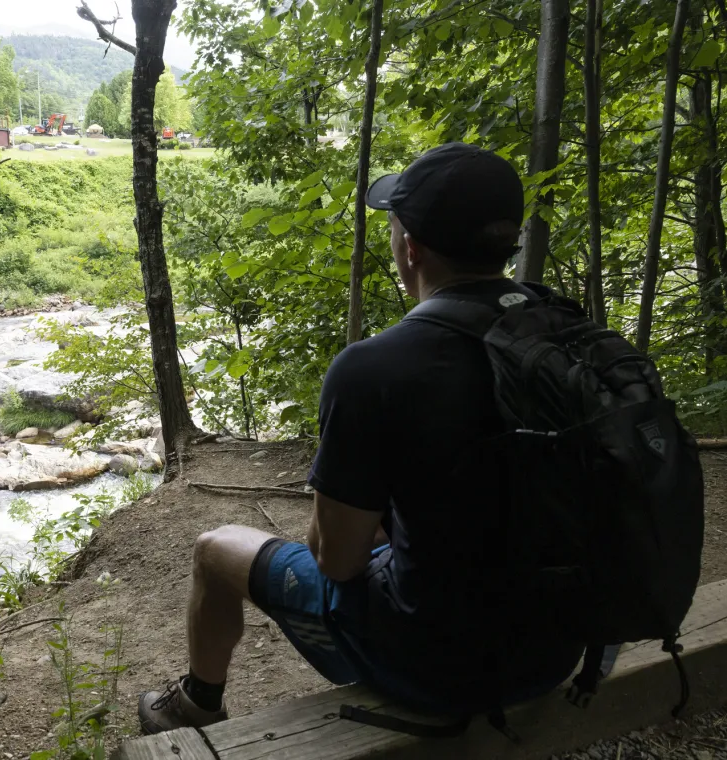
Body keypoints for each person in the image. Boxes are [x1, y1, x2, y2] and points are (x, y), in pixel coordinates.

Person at [137, 142, 586, 735]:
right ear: (509, 243)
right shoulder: (571, 337)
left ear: (410, 248)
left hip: (437, 671)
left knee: (215, 549)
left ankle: (196, 703)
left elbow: (336, 560)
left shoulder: (376, 369)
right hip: (557, 649)